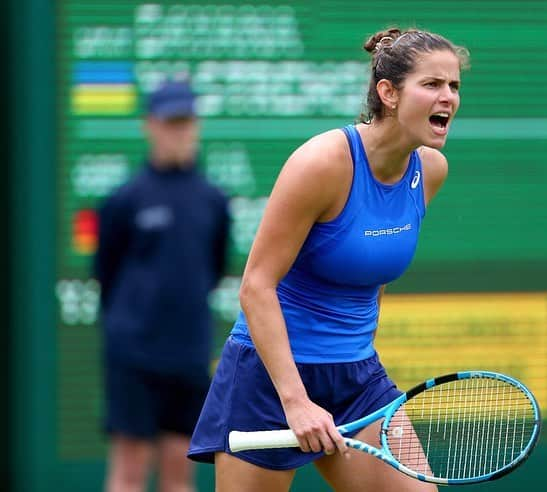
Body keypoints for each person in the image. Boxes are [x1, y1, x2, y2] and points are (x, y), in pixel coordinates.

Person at [188, 27, 469, 492]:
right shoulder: (321, 164)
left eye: (454, 86)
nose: (448, 98)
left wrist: (354, 352)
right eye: (432, 85)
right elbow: (256, 285)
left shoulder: (430, 171)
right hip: (270, 379)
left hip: (357, 380)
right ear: (389, 93)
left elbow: (370, 275)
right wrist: (296, 400)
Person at [94, 79, 231, 492]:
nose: (180, 130)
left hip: (188, 355)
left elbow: (214, 267)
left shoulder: (213, 200)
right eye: (171, 121)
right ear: (149, 125)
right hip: (133, 355)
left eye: (186, 121)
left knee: (179, 471)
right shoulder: (125, 198)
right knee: (129, 470)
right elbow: (107, 270)